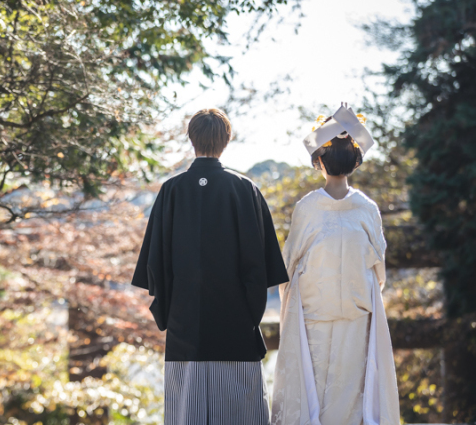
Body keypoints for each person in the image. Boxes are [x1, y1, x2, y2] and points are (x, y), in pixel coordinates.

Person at [132, 108, 289, 425]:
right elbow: (260, 267)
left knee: (186, 413)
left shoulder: (171, 190)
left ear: (191, 139)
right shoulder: (245, 189)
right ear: (227, 141)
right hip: (235, 324)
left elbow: (156, 265)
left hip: (185, 324)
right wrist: (250, 314)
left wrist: (170, 312)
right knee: (239, 413)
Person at [270, 103, 400, 425]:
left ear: (319, 161)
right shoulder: (367, 209)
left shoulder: (308, 208)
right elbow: (378, 268)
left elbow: (288, 265)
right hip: (356, 314)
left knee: (314, 394)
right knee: (350, 397)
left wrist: (290, 293)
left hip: (313, 314)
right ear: (355, 161)